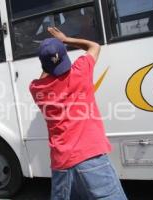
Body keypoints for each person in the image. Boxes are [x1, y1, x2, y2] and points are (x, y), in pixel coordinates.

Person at [29, 27, 128, 200]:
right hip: (91, 157)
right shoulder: (81, 71)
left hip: (61, 164)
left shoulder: (36, 89)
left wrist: (49, 62)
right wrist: (65, 39)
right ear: (65, 57)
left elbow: (45, 74)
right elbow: (94, 46)